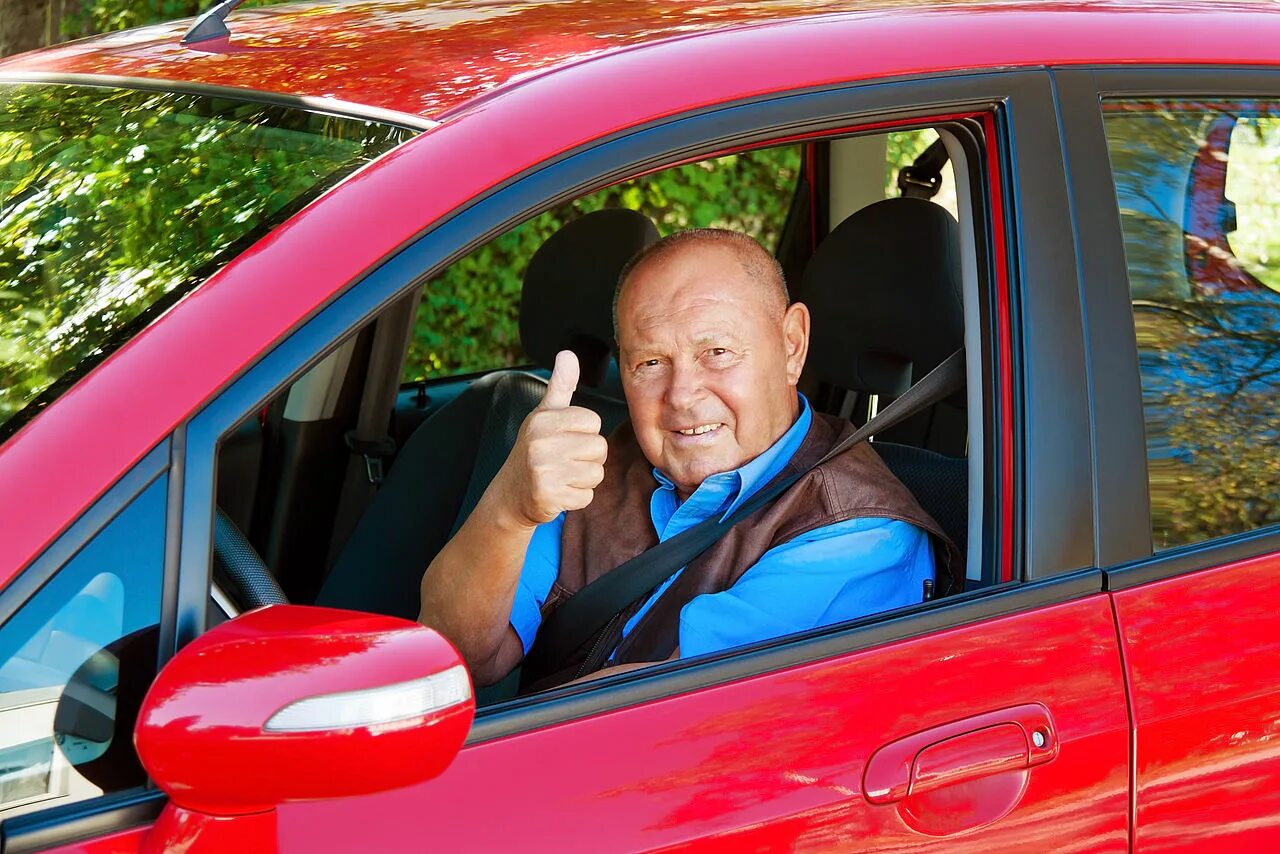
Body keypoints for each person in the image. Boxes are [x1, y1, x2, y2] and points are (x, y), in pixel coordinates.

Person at [419, 228, 951, 689]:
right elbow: (458, 656)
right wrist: (509, 509)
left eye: (716, 353)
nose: (681, 395)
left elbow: (656, 718)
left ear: (791, 345)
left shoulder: (858, 534)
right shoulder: (598, 462)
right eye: (651, 362)